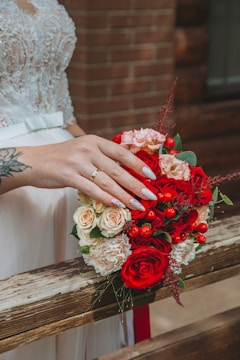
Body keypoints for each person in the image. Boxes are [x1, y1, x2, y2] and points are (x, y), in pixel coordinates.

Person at [0, 1, 156, 359]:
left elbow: (59, 114)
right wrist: (32, 161)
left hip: (71, 198)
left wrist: (120, 171)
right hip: (11, 205)